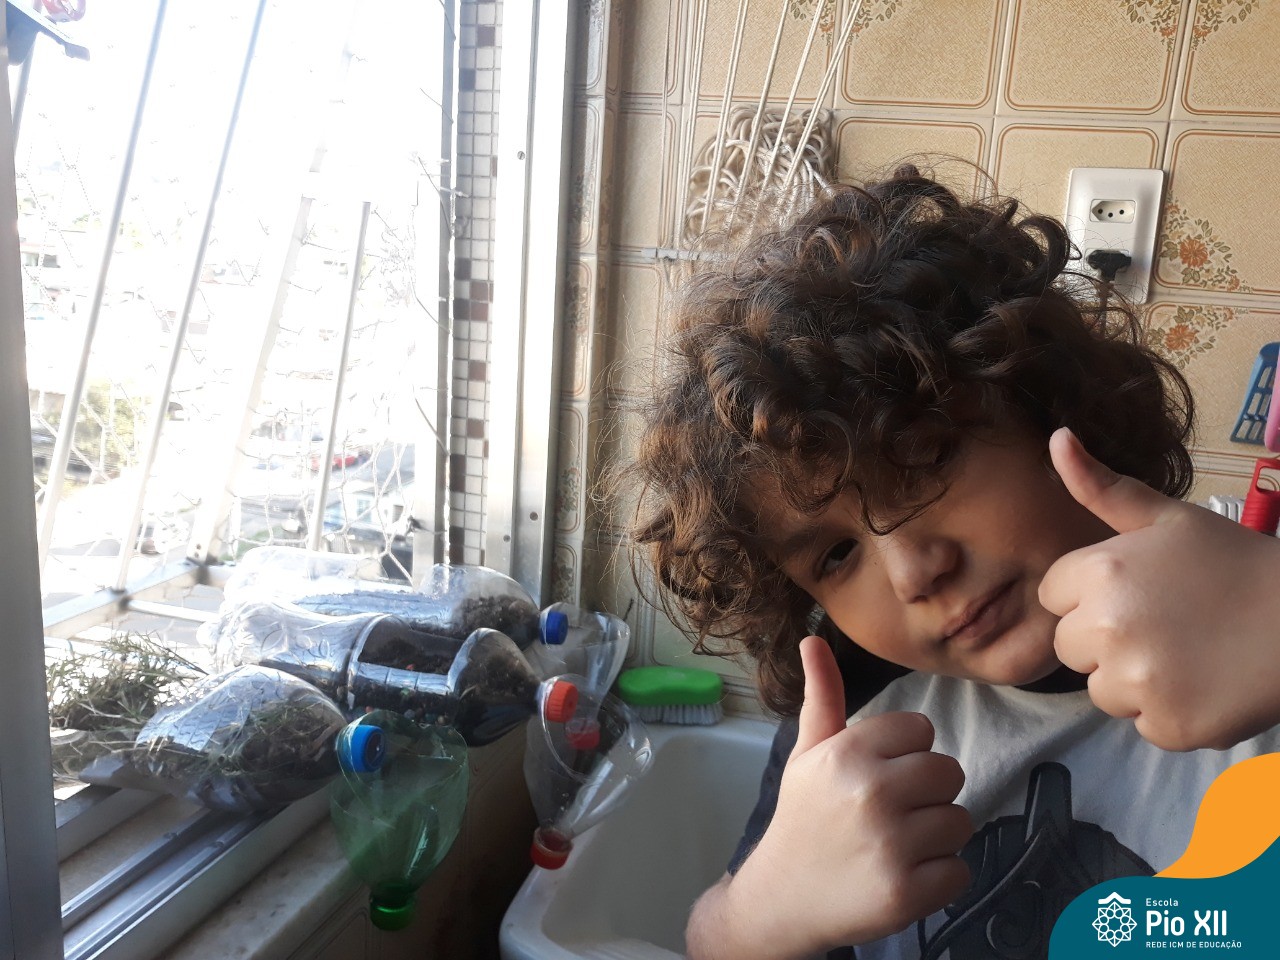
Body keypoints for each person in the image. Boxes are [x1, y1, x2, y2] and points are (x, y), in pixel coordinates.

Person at [623, 165, 1280, 960]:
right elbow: (712, 941)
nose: (913, 573)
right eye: (837, 554)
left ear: (1046, 399)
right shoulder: (854, 711)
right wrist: (761, 912)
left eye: (926, 459)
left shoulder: (1244, 603)